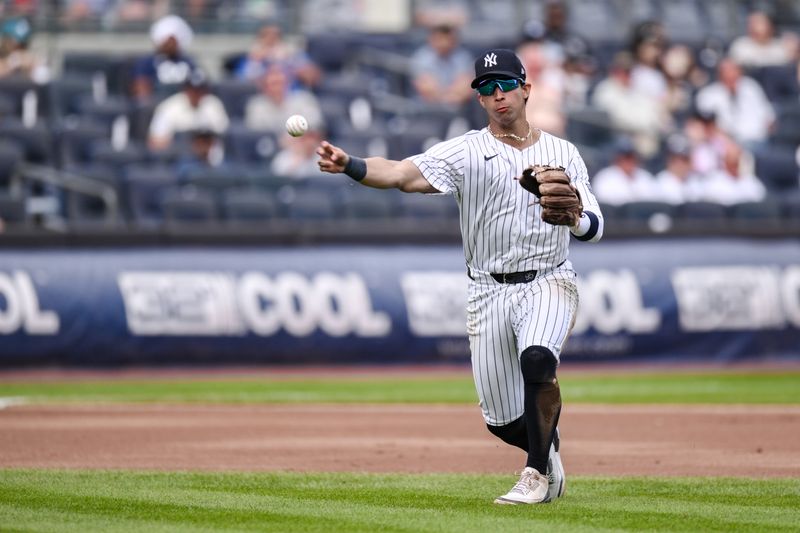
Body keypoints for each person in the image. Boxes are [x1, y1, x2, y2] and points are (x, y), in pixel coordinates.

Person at [317, 48, 604, 505]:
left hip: (550, 278)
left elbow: (595, 224)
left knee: (537, 359)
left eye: (506, 84)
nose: (497, 95)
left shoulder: (563, 152)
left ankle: (535, 474)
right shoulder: (467, 150)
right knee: (502, 420)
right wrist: (349, 165)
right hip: (487, 289)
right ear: (479, 100)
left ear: (526, 89)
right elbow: (400, 174)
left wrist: (573, 218)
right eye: (486, 88)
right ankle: (546, 450)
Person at [695, 57, 775, 149]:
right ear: (720, 74)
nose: (732, 74)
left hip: (758, 141)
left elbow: (769, 115)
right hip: (726, 145)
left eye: (734, 70)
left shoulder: (751, 86)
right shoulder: (707, 95)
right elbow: (706, 126)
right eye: (727, 71)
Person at [147, 70, 229, 151]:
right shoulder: (169, 107)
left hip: (211, 157)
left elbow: (224, 134)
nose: (196, 93)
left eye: (201, 89)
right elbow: (154, 142)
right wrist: (184, 141)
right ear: (185, 89)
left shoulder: (214, 104)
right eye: (193, 89)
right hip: (179, 158)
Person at [234, 22, 321, 89]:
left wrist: (289, 60)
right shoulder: (251, 58)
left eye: (275, 35)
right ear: (259, 39)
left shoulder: (292, 54)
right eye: (266, 35)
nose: (271, 39)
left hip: (291, 95)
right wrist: (256, 60)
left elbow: (311, 75)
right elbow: (245, 81)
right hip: (263, 97)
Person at [131, 15, 197, 102]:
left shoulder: (187, 62)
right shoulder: (148, 62)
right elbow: (141, 89)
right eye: (167, 40)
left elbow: (197, 84)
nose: (170, 45)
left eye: (173, 40)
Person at [244, 64, 323, 134]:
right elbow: (255, 132)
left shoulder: (304, 99)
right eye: (273, 84)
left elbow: (314, 126)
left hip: (300, 144)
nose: (278, 88)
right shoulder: (256, 105)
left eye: (281, 83)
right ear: (264, 88)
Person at [409, 22, 473, 107]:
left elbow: (465, 86)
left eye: (448, 39)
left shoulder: (463, 57)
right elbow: (426, 88)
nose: (444, 43)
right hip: (426, 106)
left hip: (458, 105)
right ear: (431, 39)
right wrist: (445, 97)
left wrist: (451, 98)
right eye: (440, 39)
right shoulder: (421, 58)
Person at [592, 137, 661, 205]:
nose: (628, 161)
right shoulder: (604, 177)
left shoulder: (645, 177)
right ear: (616, 158)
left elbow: (655, 203)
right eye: (625, 157)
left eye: (631, 156)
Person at [656, 135, 705, 205]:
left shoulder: (696, 181)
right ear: (668, 160)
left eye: (685, 159)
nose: (680, 164)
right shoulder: (659, 183)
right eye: (675, 159)